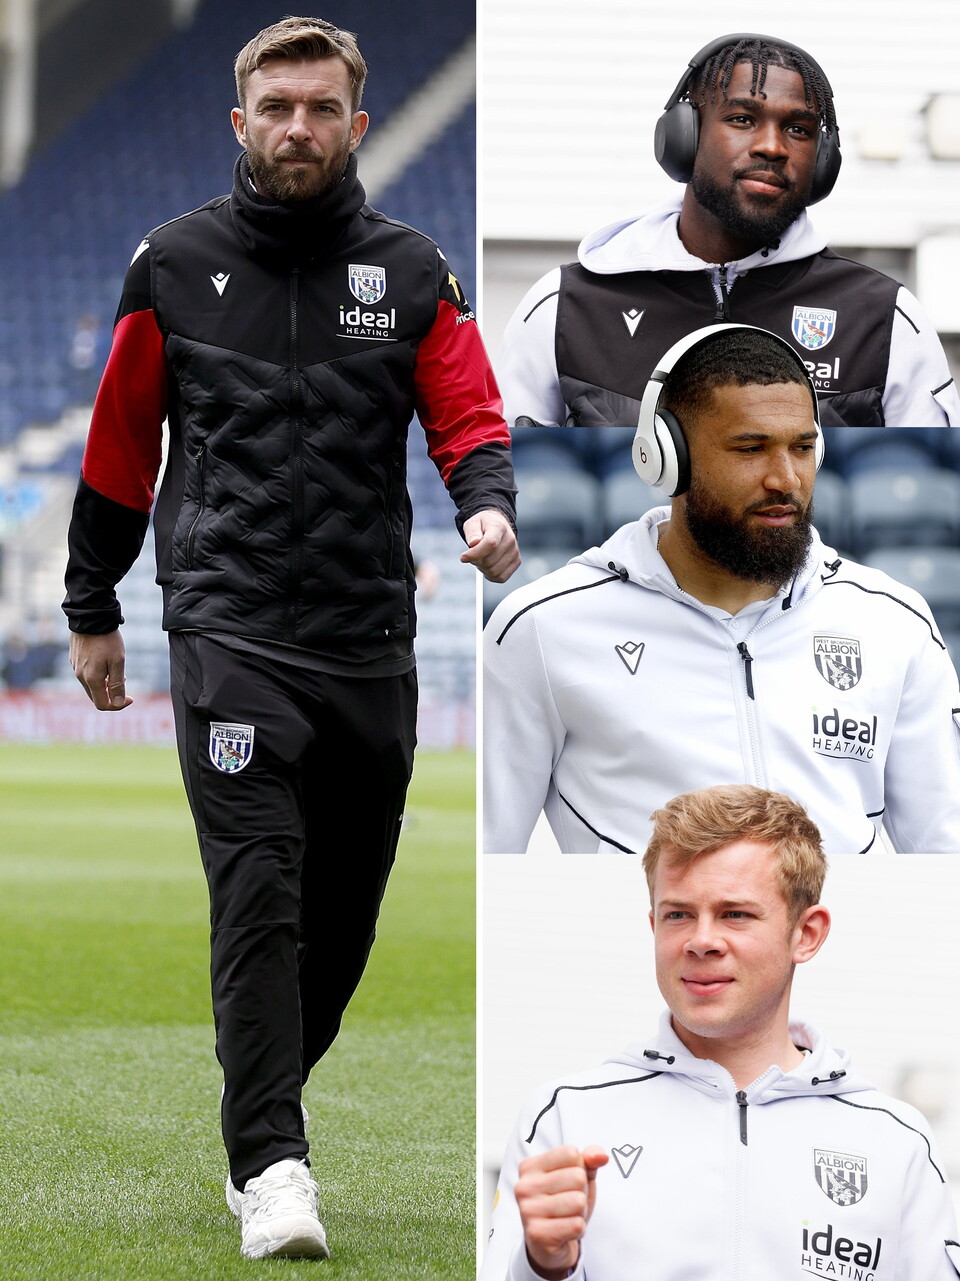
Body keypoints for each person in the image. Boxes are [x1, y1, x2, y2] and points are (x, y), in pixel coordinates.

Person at [62, 15, 518, 1262]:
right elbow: (117, 449)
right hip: (229, 629)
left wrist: (486, 504)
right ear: (241, 124)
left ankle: (252, 1104)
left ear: (358, 125)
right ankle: (272, 1165)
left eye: (322, 108)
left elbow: (467, 411)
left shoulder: (417, 271)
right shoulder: (172, 264)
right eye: (278, 108)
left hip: (370, 637)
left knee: (346, 915)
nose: (300, 128)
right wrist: (93, 607)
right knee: (257, 890)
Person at [484, 324, 960, 855]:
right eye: (751, 448)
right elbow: (489, 854)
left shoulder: (896, 622)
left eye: (802, 447)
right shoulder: (541, 627)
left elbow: (943, 856)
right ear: (665, 456)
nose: (786, 478)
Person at [479, 785, 960, 1280]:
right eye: (679, 915)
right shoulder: (565, 1116)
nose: (702, 941)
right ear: (653, 926)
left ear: (806, 933)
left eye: (735, 914)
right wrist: (545, 1265)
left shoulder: (896, 1140)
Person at [497, 32, 959, 428]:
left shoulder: (885, 318)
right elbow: (508, 488)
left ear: (822, 163)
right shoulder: (563, 306)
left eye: (798, 130)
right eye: (742, 119)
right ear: (685, 138)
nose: (773, 146)